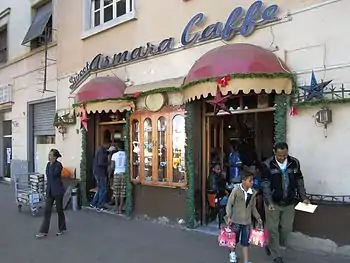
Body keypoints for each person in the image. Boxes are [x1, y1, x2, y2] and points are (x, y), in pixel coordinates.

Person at [261, 142, 309, 263]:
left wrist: (304, 197)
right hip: (273, 203)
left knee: (286, 229)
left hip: (289, 202)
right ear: (274, 152)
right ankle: (277, 255)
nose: (282, 158)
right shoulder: (267, 165)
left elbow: (299, 180)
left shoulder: (294, 163)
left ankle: (270, 243)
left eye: (284, 155)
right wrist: (269, 202)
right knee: (273, 229)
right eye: (279, 155)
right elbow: (265, 185)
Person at [225, 170, 262, 263]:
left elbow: (253, 208)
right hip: (236, 221)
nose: (252, 182)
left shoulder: (253, 193)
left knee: (246, 243)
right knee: (233, 240)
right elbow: (229, 203)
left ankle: (246, 261)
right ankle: (232, 255)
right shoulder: (236, 190)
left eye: (252, 180)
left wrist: (258, 218)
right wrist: (228, 216)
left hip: (247, 222)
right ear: (243, 181)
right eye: (250, 180)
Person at [36, 149, 66, 238]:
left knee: (59, 210)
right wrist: (46, 190)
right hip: (50, 191)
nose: (49, 157)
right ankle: (43, 231)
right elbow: (48, 176)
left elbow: (53, 175)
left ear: (55, 157)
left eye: (51, 155)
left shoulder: (58, 165)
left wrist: (52, 165)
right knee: (47, 210)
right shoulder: (48, 164)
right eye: (49, 155)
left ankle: (62, 228)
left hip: (58, 191)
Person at [90, 139, 111, 212]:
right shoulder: (102, 151)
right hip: (100, 173)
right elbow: (100, 163)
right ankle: (100, 205)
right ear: (105, 144)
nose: (109, 146)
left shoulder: (100, 150)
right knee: (103, 189)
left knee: (99, 189)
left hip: (97, 172)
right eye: (109, 145)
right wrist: (108, 163)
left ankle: (94, 203)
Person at [111, 141, 126, 214]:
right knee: (122, 191)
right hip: (124, 173)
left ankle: (116, 207)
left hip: (116, 173)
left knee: (116, 191)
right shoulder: (126, 155)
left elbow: (112, 166)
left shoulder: (114, 155)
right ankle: (120, 208)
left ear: (117, 147)